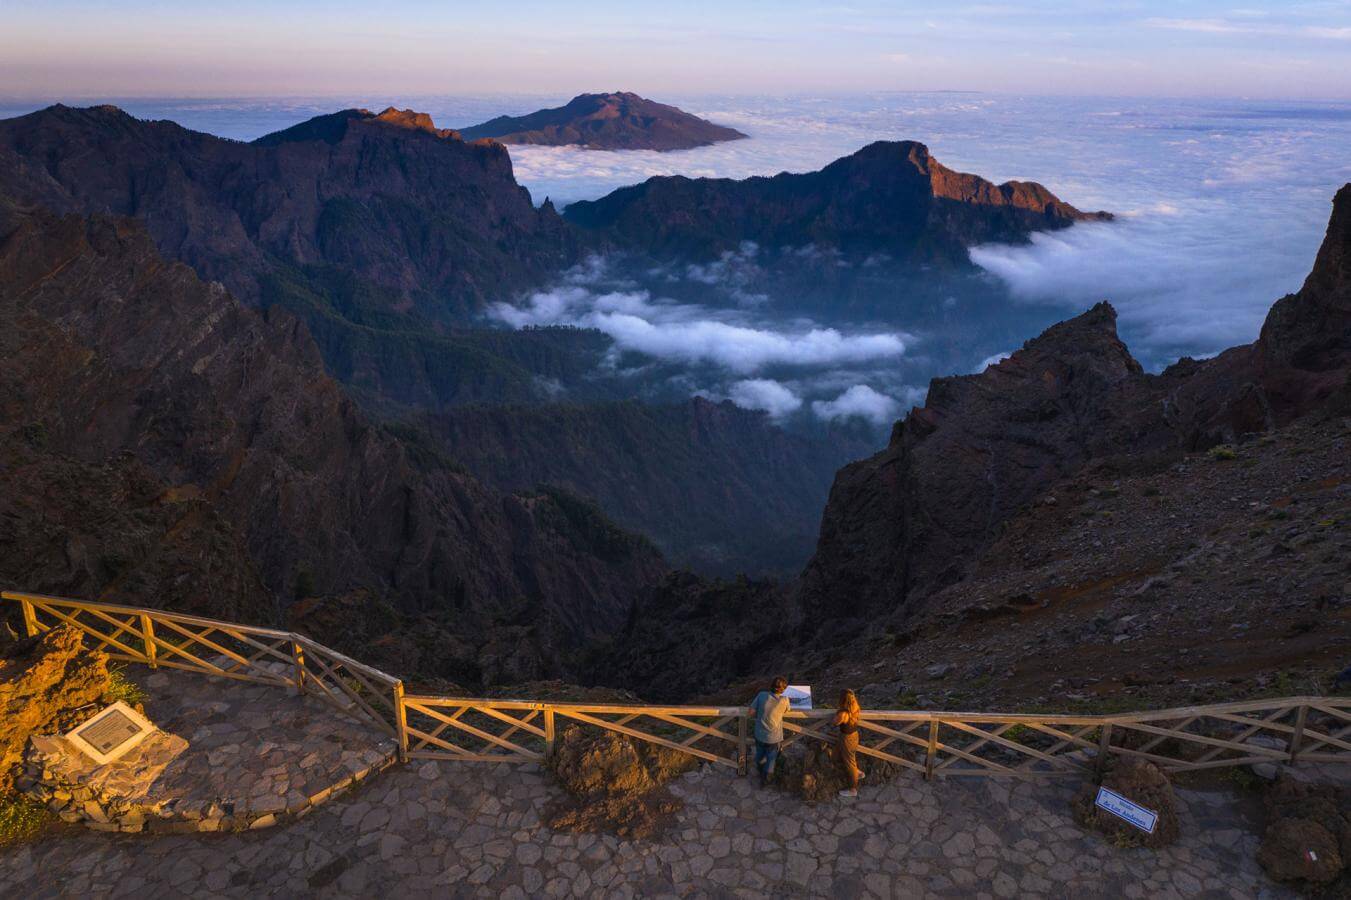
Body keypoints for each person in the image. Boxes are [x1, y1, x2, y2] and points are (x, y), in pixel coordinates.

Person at [748, 676, 791, 787]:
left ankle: (759, 769)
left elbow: (751, 712)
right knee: (771, 759)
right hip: (774, 737)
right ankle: (766, 780)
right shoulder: (784, 700)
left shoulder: (761, 695)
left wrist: (761, 714)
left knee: (759, 753)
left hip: (760, 734)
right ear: (783, 689)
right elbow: (787, 710)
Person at [834, 688, 864, 798]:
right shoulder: (855, 706)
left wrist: (838, 711)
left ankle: (853, 789)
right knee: (850, 758)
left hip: (846, 738)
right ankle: (858, 773)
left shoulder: (843, 713)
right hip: (854, 735)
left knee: (849, 763)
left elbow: (835, 722)